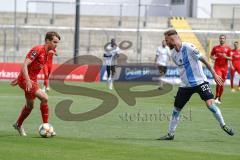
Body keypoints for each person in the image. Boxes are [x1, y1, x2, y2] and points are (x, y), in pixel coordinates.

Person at [158, 29, 234, 140]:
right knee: (176, 110)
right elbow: (182, 70)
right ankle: (170, 134)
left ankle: (223, 125)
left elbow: (203, 60)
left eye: (167, 40)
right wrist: (181, 89)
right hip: (185, 86)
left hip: (200, 82)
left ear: (172, 39)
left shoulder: (189, 47)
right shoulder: (173, 53)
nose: (166, 42)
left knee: (211, 105)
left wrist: (213, 74)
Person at [11, 31, 60, 136]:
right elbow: (25, 64)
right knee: (45, 98)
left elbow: (30, 66)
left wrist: (19, 78)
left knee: (30, 106)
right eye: (54, 42)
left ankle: (18, 124)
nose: (56, 45)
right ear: (47, 41)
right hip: (27, 80)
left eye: (57, 43)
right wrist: (26, 80)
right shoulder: (37, 50)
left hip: (31, 80)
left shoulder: (48, 52)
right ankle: (46, 126)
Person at [210, 35, 232, 104]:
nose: (222, 39)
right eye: (221, 38)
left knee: (222, 84)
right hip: (217, 67)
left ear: (225, 40)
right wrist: (213, 58)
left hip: (224, 68)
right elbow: (211, 55)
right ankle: (216, 96)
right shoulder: (215, 48)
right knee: (219, 81)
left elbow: (231, 58)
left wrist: (226, 57)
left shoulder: (228, 48)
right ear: (219, 39)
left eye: (223, 38)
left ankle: (219, 97)